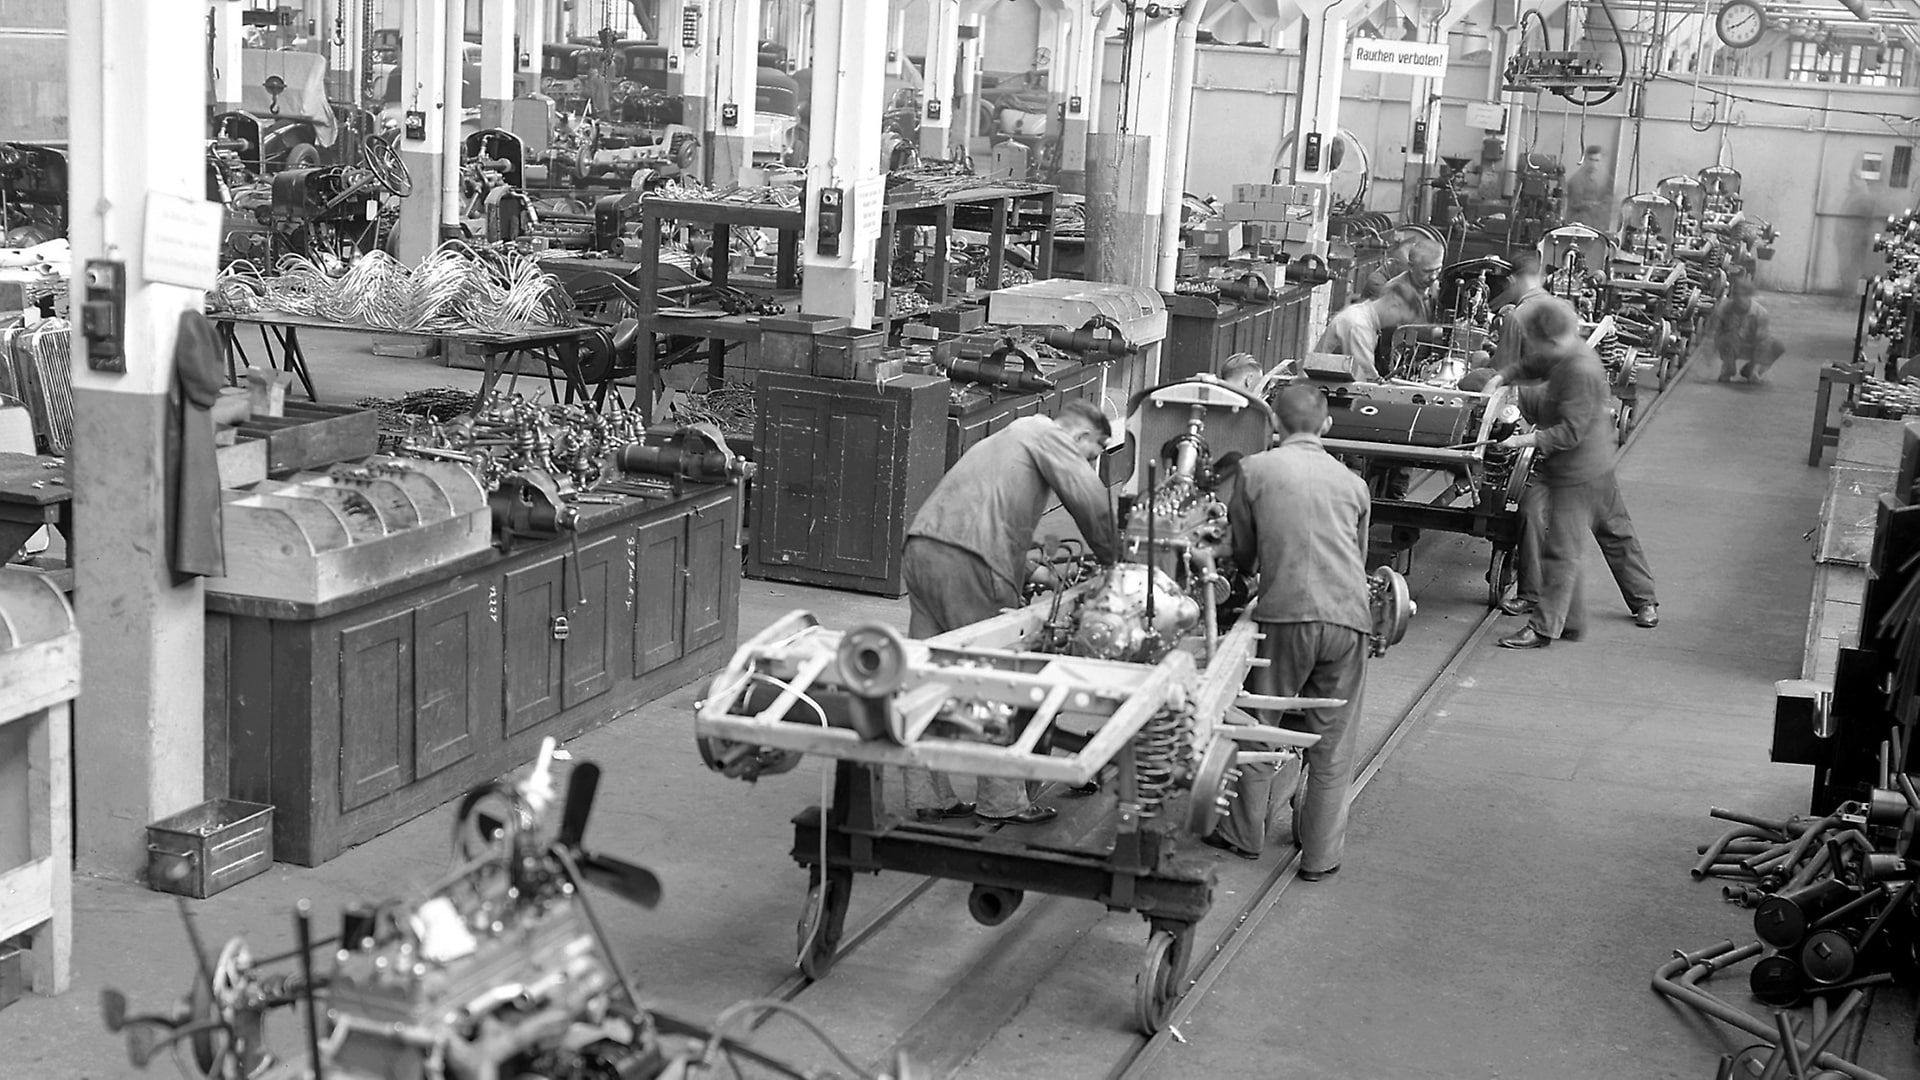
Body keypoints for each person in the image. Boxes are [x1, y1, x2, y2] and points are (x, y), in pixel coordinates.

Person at [902, 400, 1121, 824]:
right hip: (967, 559)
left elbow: (990, 519)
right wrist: (1117, 562)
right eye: (1092, 455)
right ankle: (1001, 801)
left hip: (924, 548)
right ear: (1078, 437)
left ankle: (928, 795)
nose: (1089, 466)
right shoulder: (1050, 435)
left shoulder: (1013, 436)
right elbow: (1090, 502)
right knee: (995, 680)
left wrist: (1043, 572)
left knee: (926, 678)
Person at [1210, 385, 1372, 880]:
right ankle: (1321, 858)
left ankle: (1244, 834)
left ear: (1274, 424)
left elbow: (1242, 552)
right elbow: (1359, 559)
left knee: (1259, 725)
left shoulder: (1255, 470)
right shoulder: (1354, 484)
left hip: (1284, 618)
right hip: (1348, 621)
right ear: (1325, 426)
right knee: (1332, 746)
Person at [1483, 302, 1658, 648]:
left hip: (1581, 468)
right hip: (1571, 464)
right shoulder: (1565, 350)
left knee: (1568, 547)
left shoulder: (1580, 369)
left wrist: (1522, 439)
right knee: (1568, 533)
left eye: (1536, 340)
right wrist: (1502, 376)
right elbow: (1537, 363)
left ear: (1551, 338)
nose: (1534, 348)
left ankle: (1545, 628)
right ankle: (1573, 621)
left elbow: (1569, 432)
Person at [1698, 275, 1786, 383]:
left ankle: (1752, 371)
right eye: (1736, 296)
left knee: (1777, 346)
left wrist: (1756, 366)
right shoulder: (1724, 309)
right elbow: (1712, 334)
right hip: (1730, 344)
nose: (1739, 300)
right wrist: (1709, 356)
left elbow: (1762, 341)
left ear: (1749, 296)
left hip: (1751, 345)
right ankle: (1728, 369)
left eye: (1742, 296)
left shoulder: (1760, 313)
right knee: (1730, 338)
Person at [1564, 145, 1614, 233]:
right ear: (1586, 160)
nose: (1593, 164)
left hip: (1597, 226)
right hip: (1578, 225)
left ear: (1601, 161)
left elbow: (1609, 201)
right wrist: (1593, 205)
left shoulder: (1606, 180)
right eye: (1591, 160)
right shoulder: (1577, 180)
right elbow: (1575, 203)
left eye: (1597, 160)